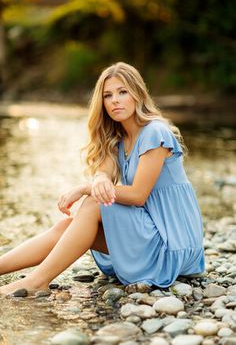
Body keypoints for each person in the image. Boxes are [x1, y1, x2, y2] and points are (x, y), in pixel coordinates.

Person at [0, 62, 205, 295]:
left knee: (95, 201)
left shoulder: (155, 132)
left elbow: (138, 196)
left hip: (173, 244)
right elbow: (103, 173)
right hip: (149, 233)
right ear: (103, 103)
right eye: (108, 95)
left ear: (137, 94)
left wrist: (86, 188)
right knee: (66, 226)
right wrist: (98, 180)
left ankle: (36, 281)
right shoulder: (116, 139)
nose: (115, 100)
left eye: (122, 92)